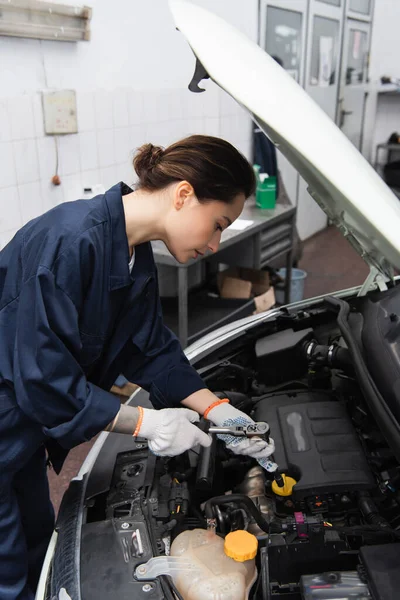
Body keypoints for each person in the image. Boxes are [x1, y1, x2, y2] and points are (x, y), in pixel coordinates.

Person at [0, 135, 275, 600]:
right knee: (6, 567)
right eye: (217, 225)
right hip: (11, 416)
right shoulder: (70, 242)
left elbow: (149, 347)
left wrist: (218, 410)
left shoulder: (132, 251)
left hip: (24, 430)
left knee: (35, 542)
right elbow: (43, 378)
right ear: (184, 194)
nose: (214, 243)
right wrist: (145, 422)